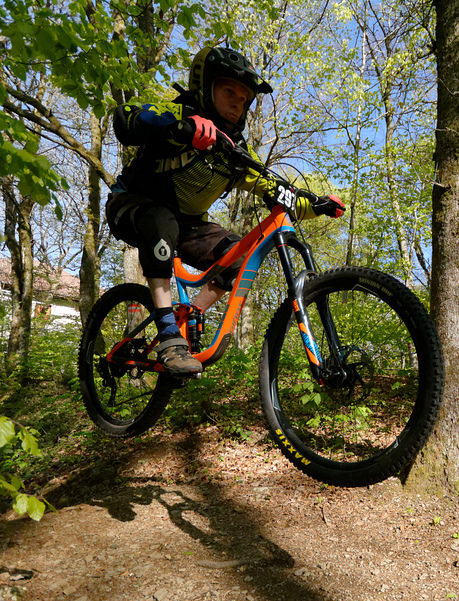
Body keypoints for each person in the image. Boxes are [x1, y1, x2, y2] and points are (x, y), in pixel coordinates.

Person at [106, 45, 344, 375]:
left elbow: (277, 190)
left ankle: (188, 319)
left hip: (188, 225)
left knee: (237, 253)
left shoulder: (236, 153)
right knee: (161, 221)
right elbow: (125, 119)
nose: (237, 101)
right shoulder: (177, 116)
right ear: (205, 87)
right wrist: (182, 129)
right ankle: (169, 339)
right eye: (229, 90)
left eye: (244, 98)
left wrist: (317, 204)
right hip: (131, 205)